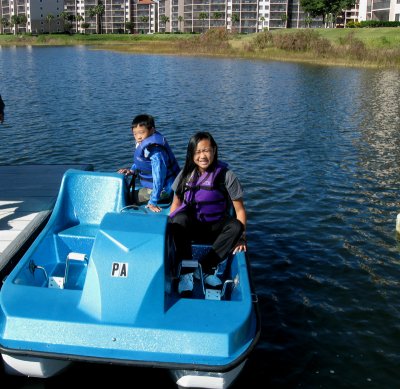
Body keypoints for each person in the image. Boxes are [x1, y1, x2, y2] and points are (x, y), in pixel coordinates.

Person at [169, 131, 247, 295]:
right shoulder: (185, 175)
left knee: (235, 226)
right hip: (193, 225)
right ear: (191, 154)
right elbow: (176, 205)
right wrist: (167, 230)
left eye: (206, 150)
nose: (202, 156)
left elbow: (239, 210)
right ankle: (186, 273)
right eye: (197, 152)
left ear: (214, 150)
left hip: (216, 225)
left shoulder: (227, 176)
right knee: (178, 219)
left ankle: (204, 267)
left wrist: (241, 238)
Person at [118, 114, 180, 213]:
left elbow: (159, 177)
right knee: (122, 192)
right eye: (135, 134)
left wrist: (153, 201)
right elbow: (142, 163)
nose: (138, 137)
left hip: (164, 190)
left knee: (125, 197)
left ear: (152, 130)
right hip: (154, 187)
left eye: (141, 132)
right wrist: (132, 170)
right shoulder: (144, 144)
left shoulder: (156, 152)